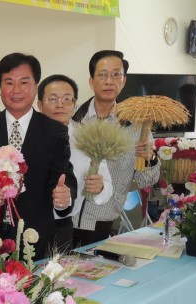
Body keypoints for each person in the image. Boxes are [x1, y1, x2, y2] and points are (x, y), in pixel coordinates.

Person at [0, 53, 77, 260]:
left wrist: (65, 197)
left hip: (34, 236)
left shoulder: (54, 131)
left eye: (24, 82)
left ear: (36, 86)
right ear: (0, 87)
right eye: (9, 82)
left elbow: (63, 175)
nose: (16, 90)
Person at [72, 50, 160, 246]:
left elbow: (146, 179)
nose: (109, 81)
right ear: (91, 81)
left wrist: (151, 157)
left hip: (104, 219)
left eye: (116, 74)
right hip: (65, 215)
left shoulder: (137, 127)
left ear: (124, 80)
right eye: (102, 75)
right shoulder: (73, 119)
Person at [37, 74, 113, 251]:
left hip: (65, 226)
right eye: (53, 99)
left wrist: (99, 187)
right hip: (30, 223)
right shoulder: (27, 136)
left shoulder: (89, 137)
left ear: (74, 104)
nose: (60, 105)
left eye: (67, 99)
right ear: (40, 105)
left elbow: (108, 188)